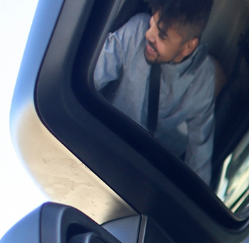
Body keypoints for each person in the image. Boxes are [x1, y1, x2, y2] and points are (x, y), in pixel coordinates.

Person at [92, 0, 216, 184]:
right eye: (152, 22)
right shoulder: (136, 30)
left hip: (140, 176)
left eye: (162, 35)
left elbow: (200, 157)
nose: (148, 34)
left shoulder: (203, 79)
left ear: (188, 47)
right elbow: (93, 75)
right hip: (100, 144)